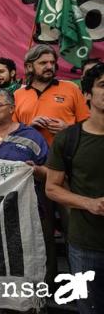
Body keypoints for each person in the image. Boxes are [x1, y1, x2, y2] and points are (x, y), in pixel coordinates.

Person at [46, 62, 104, 314]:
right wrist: (89, 203)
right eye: (103, 85)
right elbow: (52, 188)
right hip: (86, 246)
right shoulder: (69, 139)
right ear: (88, 94)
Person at [14, 44, 90, 146]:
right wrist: (29, 128)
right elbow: (10, 132)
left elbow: (88, 125)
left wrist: (68, 129)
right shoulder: (17, 95)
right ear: (29, 66)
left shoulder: (71, 88)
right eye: (43, 63)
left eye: (52, 62)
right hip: (31, 157)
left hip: (67, 154)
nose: (49, 66)